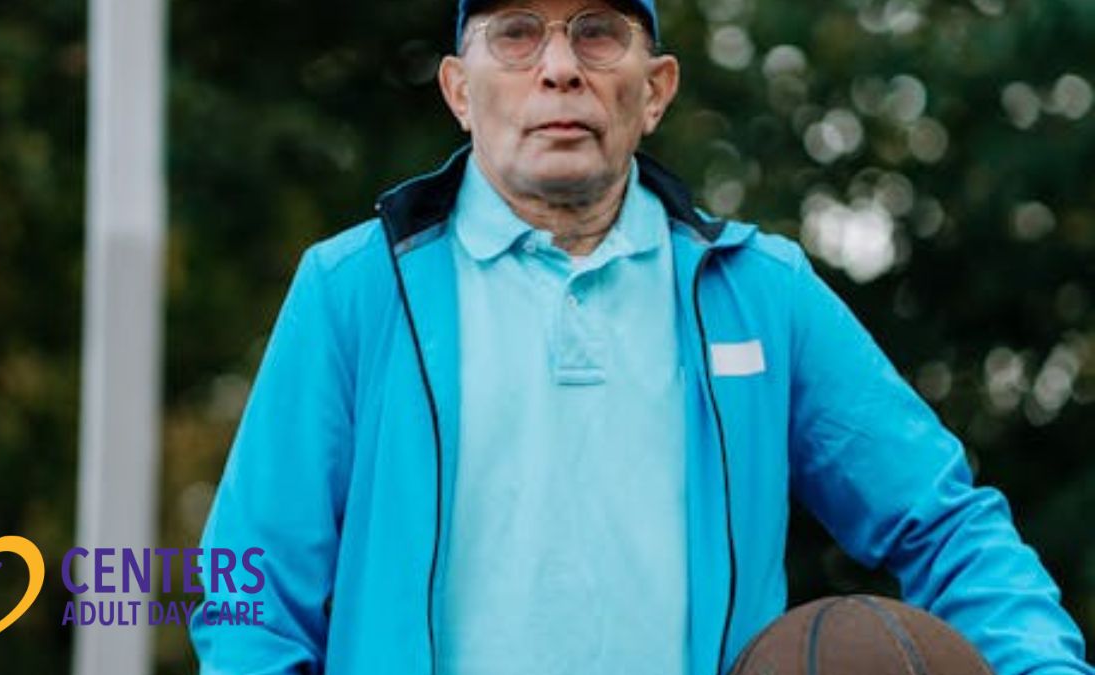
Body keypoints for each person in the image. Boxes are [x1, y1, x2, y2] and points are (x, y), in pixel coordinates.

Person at [190, 0, 1094, 673]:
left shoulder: (760, 293)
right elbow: (246, 595)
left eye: (596, 31)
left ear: (653, 89)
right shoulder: (353, 289)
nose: (558, 68)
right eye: (515, 33)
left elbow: (942, 521)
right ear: (459, 92)